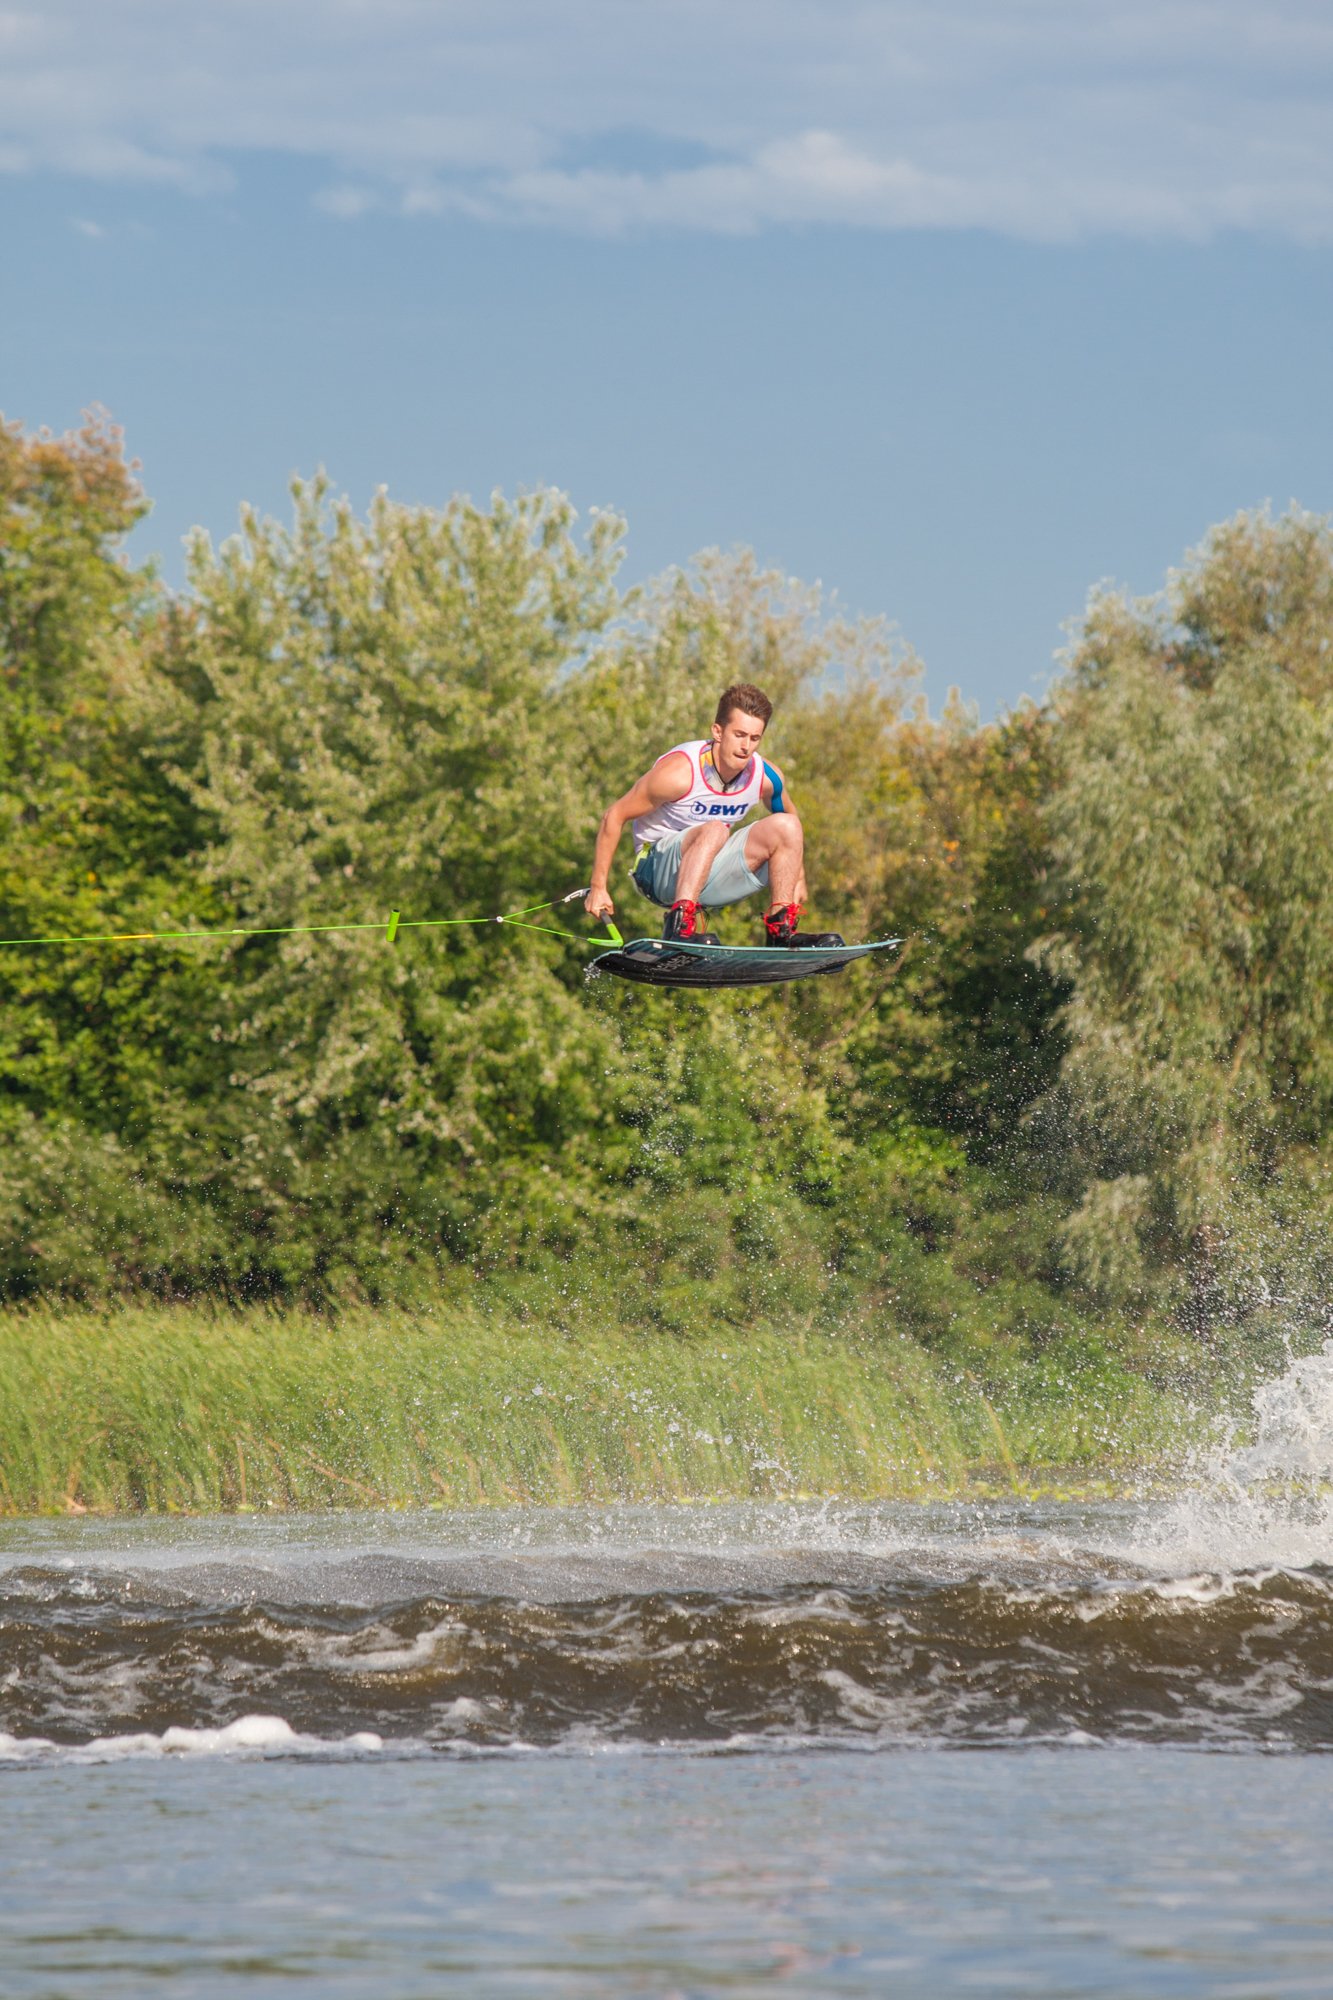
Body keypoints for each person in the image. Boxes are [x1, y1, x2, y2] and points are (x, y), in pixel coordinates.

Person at [583, 683, 840, 946]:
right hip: (656, 873)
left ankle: (781, 932)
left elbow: (790, 825)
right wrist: (598, 888)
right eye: (739, 735)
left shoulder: (765, 777)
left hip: (708, 871)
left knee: (788, 825)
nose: (746, 747)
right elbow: (613, 816)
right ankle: (679, 926)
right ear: (718, 731)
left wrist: (798, 876)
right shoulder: (679, 773)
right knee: (716, 828)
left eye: (754, 738)